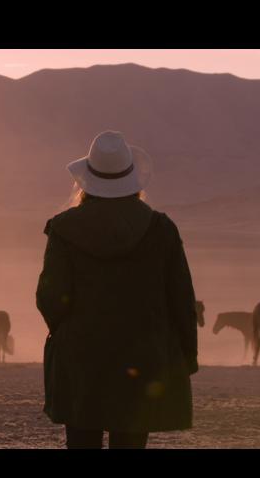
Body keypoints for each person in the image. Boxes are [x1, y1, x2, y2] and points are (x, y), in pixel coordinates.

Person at [36, 130, 199, 449]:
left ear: (86, 181)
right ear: (132, 180)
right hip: (141, 359)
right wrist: (186, 357)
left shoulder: (64, 228)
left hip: (81, 359)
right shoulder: (160, 229)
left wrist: (68, 332)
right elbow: (181, 299)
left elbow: (50, 298)